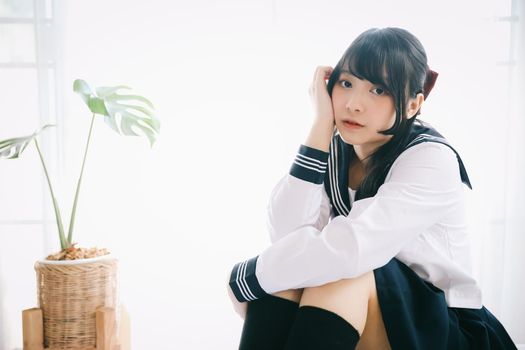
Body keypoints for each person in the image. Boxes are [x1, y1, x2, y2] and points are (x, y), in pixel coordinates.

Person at [226, 27, 517, 349]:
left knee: (341, 275)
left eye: (378, 90)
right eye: (346, 83)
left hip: (447, 327)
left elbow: (352, 249)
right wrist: (319, 128)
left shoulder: (431, 158)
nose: (353, 104)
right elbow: (287, 238)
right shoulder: (337, 152)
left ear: (412, 105)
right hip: (376, 309)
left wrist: (250, 275)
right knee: (293, 278)